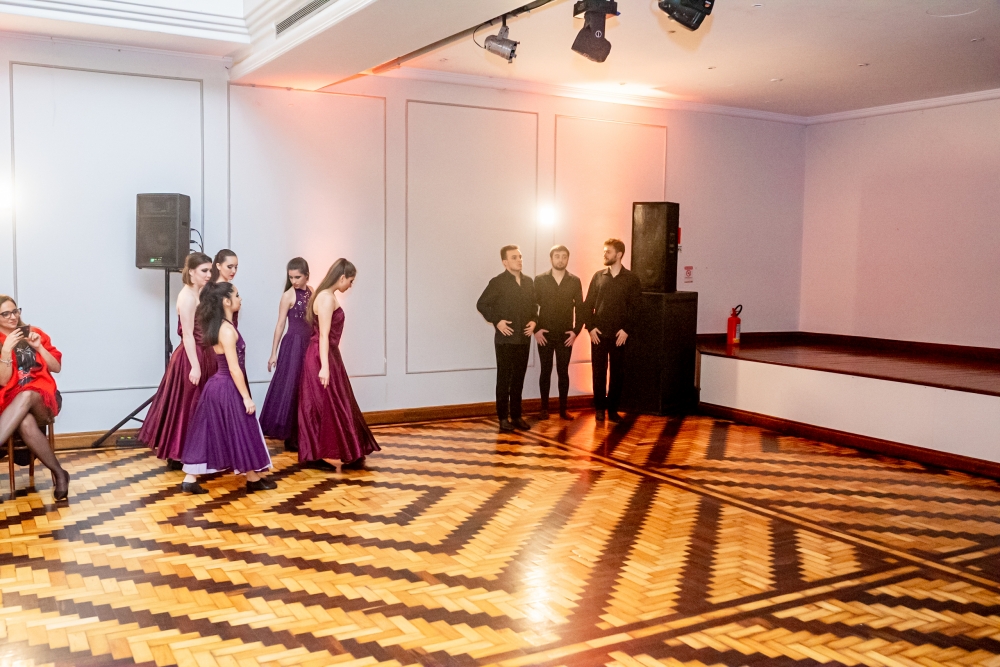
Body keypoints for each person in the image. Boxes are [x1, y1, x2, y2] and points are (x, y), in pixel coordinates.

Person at [179, 282, 276, 494]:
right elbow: (234, 368)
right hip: (226, 386)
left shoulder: (222, 327)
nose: (240, 299)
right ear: (226, 301)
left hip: (217, 386)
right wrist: (246, 398)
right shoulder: (227, 331)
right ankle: (252, 478)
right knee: (243, 427)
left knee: (212, 431)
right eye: (237, 295)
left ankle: (193, 478)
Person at [297, 259, 380, 471]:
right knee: (325, 404)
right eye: (350, 281)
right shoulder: (325, 298)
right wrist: (324, 367)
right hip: (321, 356)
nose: (350, 285)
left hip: (327, 354)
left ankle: (348, 451)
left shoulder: (326, 295)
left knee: (336, 402)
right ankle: (318, 454)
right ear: (342, 277)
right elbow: (323, 335)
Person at [139, 252, 217, 467]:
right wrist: (195, 366)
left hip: (203, 353)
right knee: (186, 406)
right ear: (191, 272)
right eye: (204, 270)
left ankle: (192, 452)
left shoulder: (199, 293)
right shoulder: (187, 297)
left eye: (210, 270)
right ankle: (179, 454)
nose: (208, 274)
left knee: (195, 405)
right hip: (191, 356)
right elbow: (188, 335)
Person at [0, 296, 70, 500]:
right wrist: (6, 350)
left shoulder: (34, 332)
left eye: (15, 311)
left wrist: (39, 347)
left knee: (28, 393)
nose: (12, 317)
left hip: (44, 399)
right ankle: (60, 473)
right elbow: (3, 381)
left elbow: (56, 367)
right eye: (5, 313)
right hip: (13, 404)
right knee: (25, 422)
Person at [477, 245, 537, 433]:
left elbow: (534, 306)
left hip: (524, 339)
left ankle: (517, 416)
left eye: (520, 256)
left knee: (519, 379)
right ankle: (503, 418)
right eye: (514, 257)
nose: (519, 260)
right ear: (505, 262)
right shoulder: (498, 282)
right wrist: (497, 321)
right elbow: (482, 304)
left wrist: (534, 321)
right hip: (505, 341)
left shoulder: (528, 282)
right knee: (504, 379)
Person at [582, 238, 642, 423]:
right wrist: (591, 328)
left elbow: (636, 308)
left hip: (619, 335)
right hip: (598, 334)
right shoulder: (598, 276)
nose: (604, 254)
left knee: (617, 373)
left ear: (619, 254)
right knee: (598, 372)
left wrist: (626, 330)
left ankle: (613, 410)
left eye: (608, 252)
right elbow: (587, 305)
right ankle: (599, 408)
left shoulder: (631, 279)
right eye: (604, 251)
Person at [259, 258, 312, 452]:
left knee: (306, 387)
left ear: (307, 276)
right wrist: (273, 353)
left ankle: (304, 432)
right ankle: (291, 436)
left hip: (309, 343)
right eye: (291, 277)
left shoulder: (312, 291)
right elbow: (280, 324)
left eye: (298, 277)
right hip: (293, 345)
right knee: (292, 387)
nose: (294, 281)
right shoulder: (288, 296)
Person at [534, 245, 583, 421]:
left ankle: (563, 410)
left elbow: (581, 307)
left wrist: (576, 331)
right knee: (545, 371)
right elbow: (532, 306)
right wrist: (536, 330)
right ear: (551, 258)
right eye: (557, 256)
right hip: (545, 334)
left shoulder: (574, 281)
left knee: (563, 372)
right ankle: (544, 409)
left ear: (568, 259)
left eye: (564, 256)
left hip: (565, 335)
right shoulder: (540, 280)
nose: (560, 260)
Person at [210, 249, 239, 327]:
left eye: (236, 267)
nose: (234, 271)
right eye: (229, 267)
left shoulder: (232, 287)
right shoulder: (212, 289)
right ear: (218, 266)